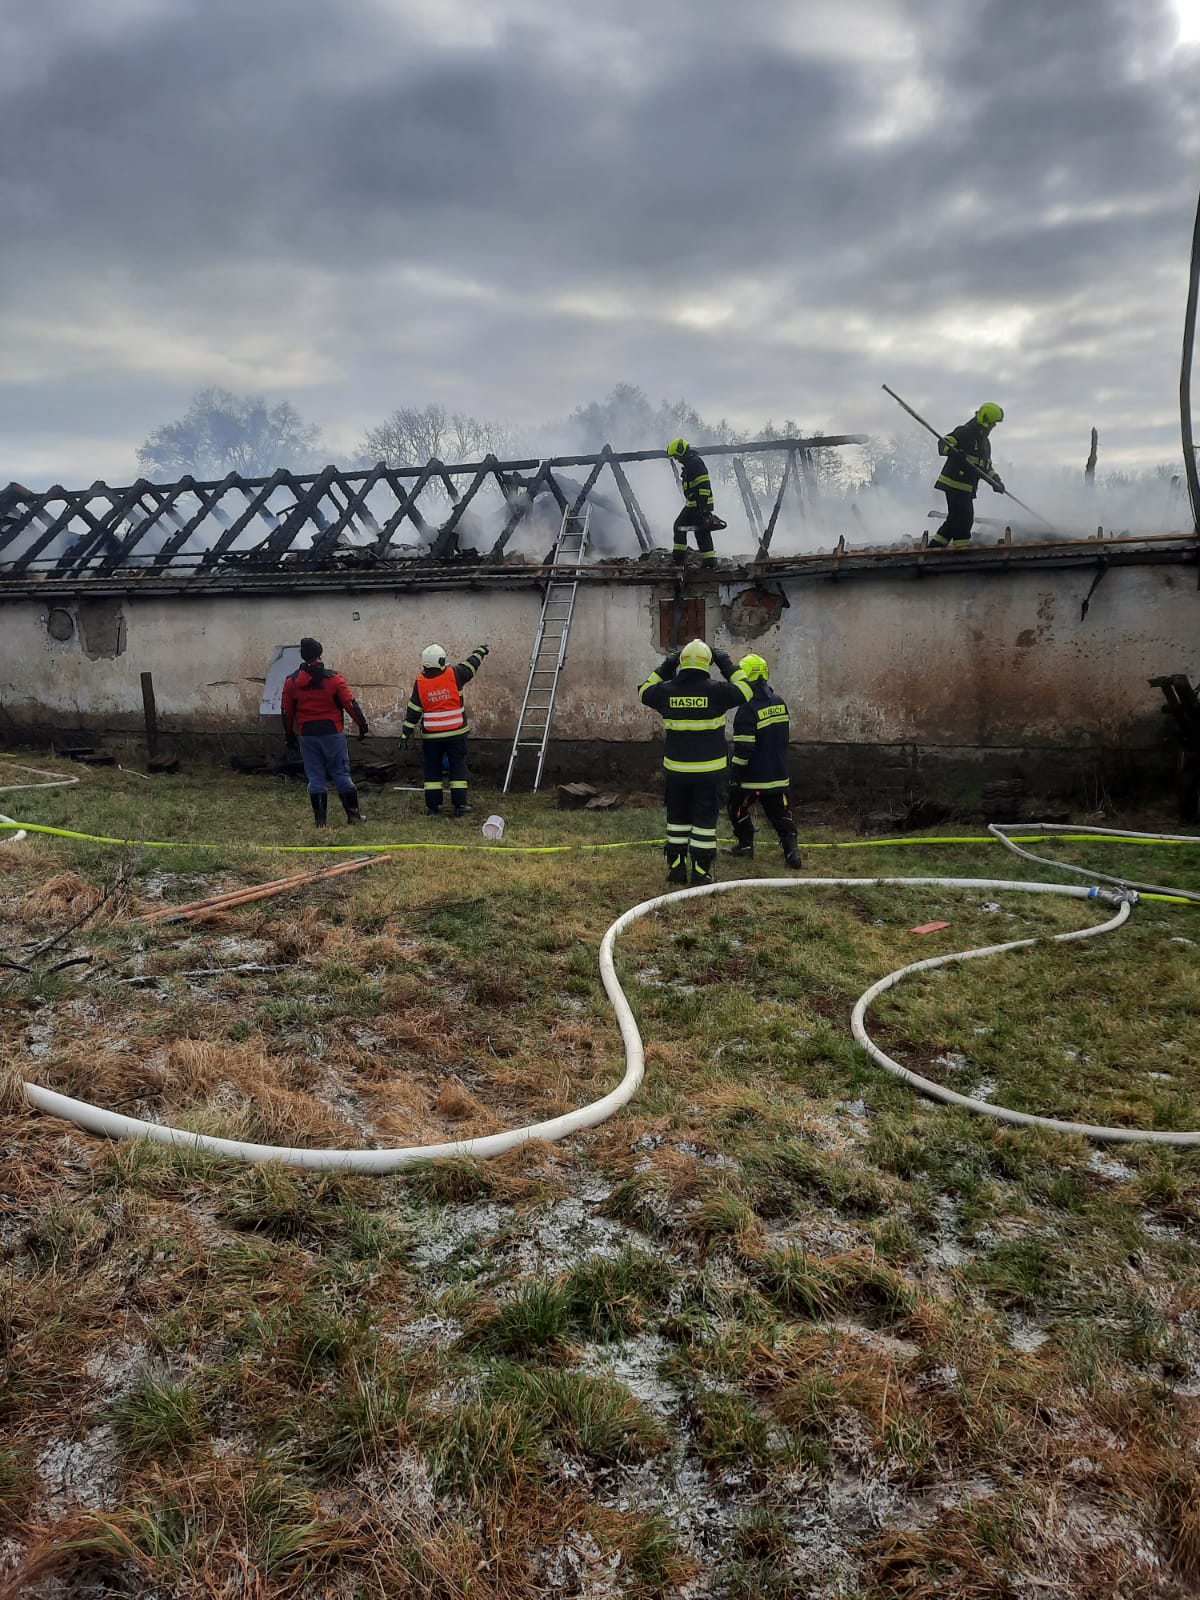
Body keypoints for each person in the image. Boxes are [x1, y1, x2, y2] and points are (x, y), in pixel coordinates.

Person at [638, 638, 752, 886]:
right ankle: (701, 872)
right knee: (703, 822)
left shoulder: (666, 691)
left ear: (682, 663)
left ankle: (676, 869)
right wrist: (725, 663)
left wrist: (668, 664)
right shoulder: (717, 691)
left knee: (677, 819)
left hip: (676, 772)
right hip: (709, 773)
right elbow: (746, 689)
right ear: (707, 664)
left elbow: (644, 690)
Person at [281, 637, 368, 827]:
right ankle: (353, 816)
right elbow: (349, 703)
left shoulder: (291, 682)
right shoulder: (334, 679)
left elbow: (287, 711)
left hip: (307, 734)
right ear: (320, 655)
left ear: (303, 657)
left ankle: (320, 821)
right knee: (341, 773)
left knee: (315, 777)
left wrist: (289, 734)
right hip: (332, 732)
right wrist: (361, 724)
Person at [726, 653, 802, 868]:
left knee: (735, 808)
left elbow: (744, 748)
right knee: (781, 816)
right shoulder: (779, 702)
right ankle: (792, 853)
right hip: (778, 776)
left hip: (751, 778)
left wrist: (734, 774)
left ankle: (745, 846)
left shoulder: (746, 709)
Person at [399, 641, 489, 817]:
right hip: (456, 733)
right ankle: (460, 807)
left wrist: (405, 733)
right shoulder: (455, 674)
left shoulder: (420, 683)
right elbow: (472, 664)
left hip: (432, 737)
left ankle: (433, 807)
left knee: (432, 771)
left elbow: (413, 710)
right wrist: (481, 651)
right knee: (457, 769)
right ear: (440, 661)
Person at [931, 403, 1005, 548]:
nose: (994, 426)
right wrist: (953, 452)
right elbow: (943, 445)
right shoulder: (964, 432)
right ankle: (961, 550)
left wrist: (996, 480)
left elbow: (986, 466)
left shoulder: (985, 442)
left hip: (967, 487)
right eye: (992, 423)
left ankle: (934, 548)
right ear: (985, 420)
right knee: (965, 518)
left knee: (954, 520)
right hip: (954, 483)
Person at [666, 438, 726, 568]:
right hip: (693, 505)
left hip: (699, 505)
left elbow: (703, 485)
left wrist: (703, 509)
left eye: (676, 456)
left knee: (699, 531)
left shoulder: (695, 464)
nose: (676, 459)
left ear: (681, 452)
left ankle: (707, 562)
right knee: (685, 528)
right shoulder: (690, 464)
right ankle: (682, 560)